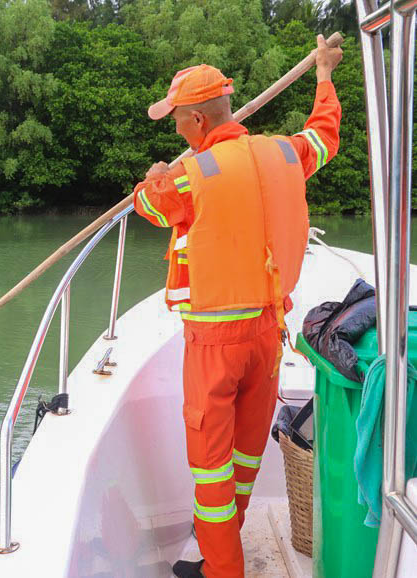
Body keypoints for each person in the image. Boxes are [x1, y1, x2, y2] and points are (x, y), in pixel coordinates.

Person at [132, 35, 343, 578]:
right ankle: (219, 552)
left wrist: (154, 175)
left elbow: (152, 205)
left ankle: (220, 571)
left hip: (215, 347)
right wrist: (323, 76)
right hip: (270, 336)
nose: (175, 130)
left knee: (211, 472)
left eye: (177, 121)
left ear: (198, 122)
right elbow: (323, 138)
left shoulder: (188, 175)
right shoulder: (281, 153)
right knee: (246, 457)